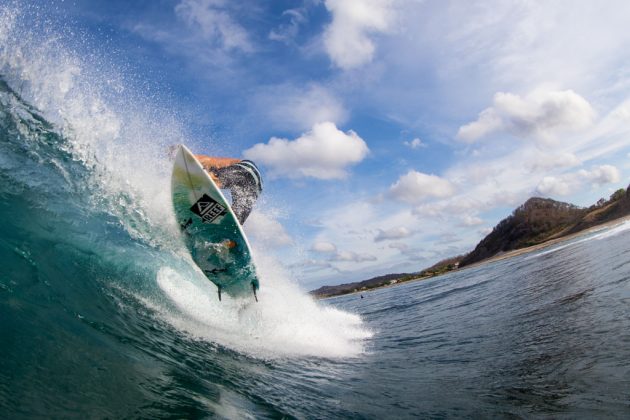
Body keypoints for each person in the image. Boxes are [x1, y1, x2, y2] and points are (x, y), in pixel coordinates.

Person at [194, 154, 263, 225]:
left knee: (214, 178)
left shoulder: (213, 163)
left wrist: (192, 159)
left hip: (248, 170)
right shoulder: (226, 166)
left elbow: (207, 160)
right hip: (255, 189)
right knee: (235, 220)